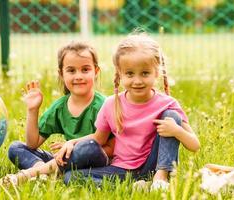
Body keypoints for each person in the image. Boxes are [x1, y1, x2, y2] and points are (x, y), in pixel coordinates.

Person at [55, 33, 200, 190]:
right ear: (120, 74)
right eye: (130, 73)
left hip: (153, 165)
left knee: (171, 116)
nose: (137, 81)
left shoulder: (167, 104)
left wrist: (177, 131)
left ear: (157, 73)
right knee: (71, 177)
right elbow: (98, 139)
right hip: (121, 170)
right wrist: (72, 142)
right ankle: (136, 187)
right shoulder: (111, 104)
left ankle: (160, 179)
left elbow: (195, 145)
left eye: (145, 73)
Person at [3, 41, 114, 186]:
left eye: (85, 69)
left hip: (95, 163)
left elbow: (112, 150)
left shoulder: (104, 105)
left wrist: (74, 149)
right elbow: (32, 143)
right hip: (64, 160)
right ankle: (44, 172)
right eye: (71, 70)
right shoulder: (60, 107)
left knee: (89, 147)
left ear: (96, 71)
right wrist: (33, 110)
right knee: (16, 148)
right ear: (61, 74)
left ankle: (36, 173)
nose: (78, 76)